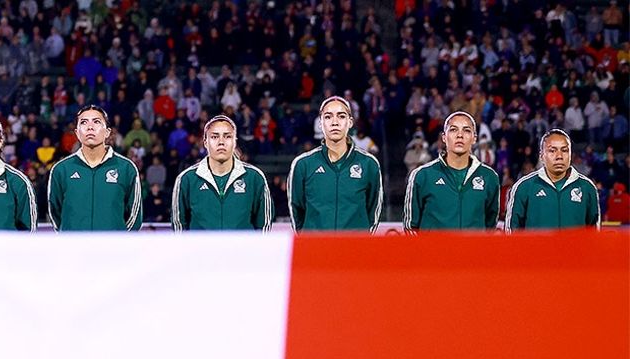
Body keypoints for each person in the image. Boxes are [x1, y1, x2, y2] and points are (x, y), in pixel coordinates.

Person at [286, 96, 383, 232]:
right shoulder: (303, 164)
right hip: (316, 250)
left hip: (355, 250)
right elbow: (297, 212)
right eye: (328, 117)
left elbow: (373, 211)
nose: (335, 122)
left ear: (350, 122)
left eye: (341, 116)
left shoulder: (369, 164)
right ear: (320, 123)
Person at [46, 105, 142, 231]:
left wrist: (118, 241)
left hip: (113, 249)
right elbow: (55, 213)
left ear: (107, 132)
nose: (90, 127)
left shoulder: (126, 168)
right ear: (77, 132)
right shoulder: (61, 170)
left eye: (96, 122)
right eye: (84, 122)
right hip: (73, 249)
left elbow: (134, 217)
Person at [403, 111, 500, 232]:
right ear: (444, 137)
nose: (460, 135)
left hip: (473, 251)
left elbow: (490, 225)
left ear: (474, 138)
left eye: (466, 130)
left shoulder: (489, 177)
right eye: (453, 130)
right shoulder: (422, 176)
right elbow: (410, 227)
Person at [171, 115, 272, 231]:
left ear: (235, 142)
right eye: (214, 137)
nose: (221, 142)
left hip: (243, 249)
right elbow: (179, 228)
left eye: (227, 136)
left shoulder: (254, 178)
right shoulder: (187, 179)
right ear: (205, 142)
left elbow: (263, 227)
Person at [505, 129, 601, 231]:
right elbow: (512, 232)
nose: (559, 156)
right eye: (552, 150)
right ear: (541, 156)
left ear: (571, 155)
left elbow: (594, 233)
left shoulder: (587, 188)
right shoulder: (524, 187)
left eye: (564, 150)